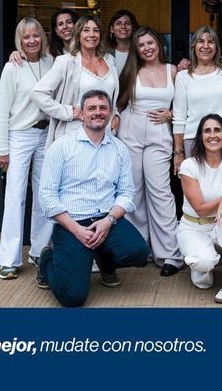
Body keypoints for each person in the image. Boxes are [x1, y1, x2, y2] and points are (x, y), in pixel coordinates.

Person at [36, 89, 148, 307]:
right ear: (82, 113)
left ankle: (105, 262)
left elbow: (126, 193)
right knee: (72, 297)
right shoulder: (61, 147)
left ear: (109, 113)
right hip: (72, 223)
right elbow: (47, 196)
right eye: (92, 108)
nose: (98, 112)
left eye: (103, 108)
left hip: (106, 219)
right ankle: (47, 261)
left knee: (138, 252)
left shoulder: (119, 149)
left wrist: (108, 221)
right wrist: (77, 230)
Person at [117, 26, 183, 276]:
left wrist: (171, 114)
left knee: (161, 191)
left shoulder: (173, 71)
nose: (147, 48)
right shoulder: (132, 71)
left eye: (150, 43)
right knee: (133, 190)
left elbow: (186, 104)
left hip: (159, 132)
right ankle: (138, 248)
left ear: (159, 44)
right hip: (131, 129)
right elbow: (119, 104)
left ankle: (169, 254)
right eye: (141, 44)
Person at [0, 18, 55, 278]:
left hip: (46, 134)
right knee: (15, 196)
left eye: (35, 35)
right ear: (19, 40)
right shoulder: (13, 67)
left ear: (42, 37)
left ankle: (39, 251)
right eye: (26, 37)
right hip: (20, 135)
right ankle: (9, 259)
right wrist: (2, 148)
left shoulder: (51, 62)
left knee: (43, 194)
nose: (32, 40)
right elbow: (1, 111)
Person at [177, 114, 222, 303]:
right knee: (204, 271)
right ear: (200, 136)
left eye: (217, 130)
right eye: (207, 131)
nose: (213, 135)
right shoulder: (189, 165)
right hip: (194, 226)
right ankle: (203, 264)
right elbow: (201, 209)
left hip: (221, 223)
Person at [31, 15, 121, 149]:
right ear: (78, 34)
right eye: (86, 30)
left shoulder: (110, 60)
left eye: (96, 30)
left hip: (105, 134)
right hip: (75, 134)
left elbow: (110, 95)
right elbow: (37, 93)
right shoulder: (66, 62)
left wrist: (116, 115)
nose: (91, 34)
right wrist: (68, 112)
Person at [172, 26, 222, 175]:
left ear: (217, 47)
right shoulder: (183, 76)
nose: (206, 46)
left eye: (211, 42)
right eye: (201, 41)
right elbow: (179, 116)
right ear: (194, 46)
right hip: (194, 137)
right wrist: (178, 152)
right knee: (196, 182)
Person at [8, 8, 78, 65]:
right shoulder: (51, 52)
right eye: (60, 24)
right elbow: (32, 55)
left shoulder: (83, 49)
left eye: (69, 22)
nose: (65, 26)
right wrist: (17, 53)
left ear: (76, 25)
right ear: (56, 30)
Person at [106, 9, 139, 74]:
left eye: (127, 23)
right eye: (118, 23)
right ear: (111, 29)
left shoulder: (140, 51)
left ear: (133, 28)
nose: (123, 26)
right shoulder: (104, 53)